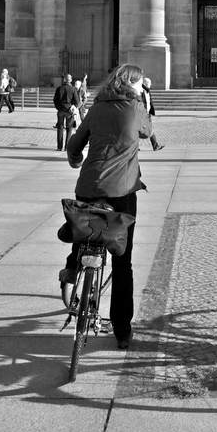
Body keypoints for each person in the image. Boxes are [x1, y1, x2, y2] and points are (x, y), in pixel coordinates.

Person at [59, 64, 152, 349]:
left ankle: (73, 267)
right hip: (122, 190)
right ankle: (122, 330)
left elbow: (74, 146)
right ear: (132, 84)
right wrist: (143, 102)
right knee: (123, 262)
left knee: (86, 228)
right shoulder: (136, 107)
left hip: (88, 185)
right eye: (138, 84)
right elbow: (147, 132)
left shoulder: (97, 108)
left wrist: (76, 160)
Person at [54, 74, 79, 150]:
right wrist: (73, 106)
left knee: (60, 128)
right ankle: (67, 147)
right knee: (69, 128)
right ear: (71, 80)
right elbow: (77, 101)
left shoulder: (59, 88)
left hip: (61, 110)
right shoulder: (73, 89)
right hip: (69, 110)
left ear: (64, 80)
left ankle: (59, 147)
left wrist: (58, 107)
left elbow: (55, 100)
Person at [141, 77, 164, 151]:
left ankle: (155, 145)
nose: (151, 84)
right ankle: (135, 146)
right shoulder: (141, 91)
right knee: (138, 130)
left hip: (147, 114)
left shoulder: (148, 91)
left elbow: (149, 102)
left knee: (151, 129)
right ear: (145, 83)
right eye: (149, 83)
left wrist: (151, 111)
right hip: (142, 114)